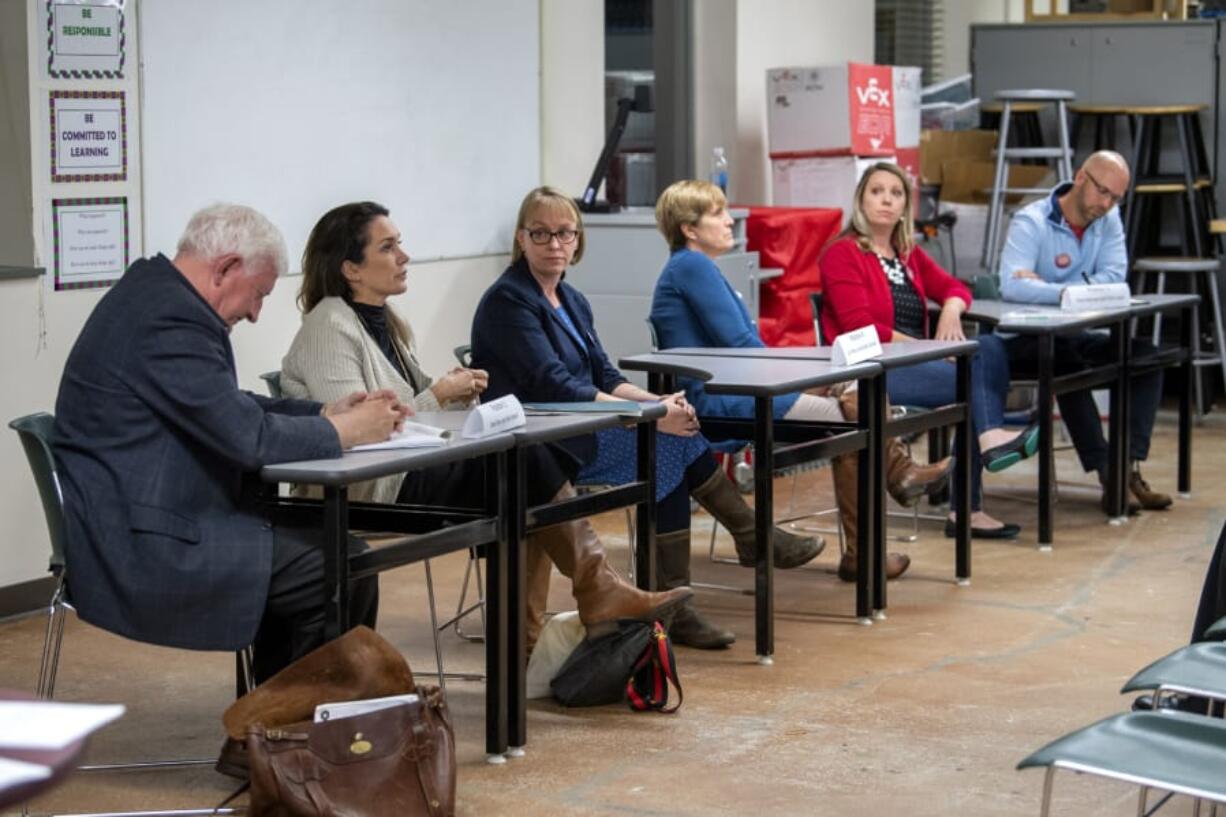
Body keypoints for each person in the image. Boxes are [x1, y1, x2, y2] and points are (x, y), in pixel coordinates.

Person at [279, 201, 690, 653]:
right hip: (371, 486)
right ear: (351, 269)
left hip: (411, 465)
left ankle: (542, 634)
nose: (405, 256)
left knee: (526, 469)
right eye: (389, 247)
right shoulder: (329, 325)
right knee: (526, 467)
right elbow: (356, 428)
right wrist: (438, 393)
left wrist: (451, 392)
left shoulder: (387, 324)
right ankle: (590, 596)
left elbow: (413, 408)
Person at [52, 203, 403, 685]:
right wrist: (347, 431)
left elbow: (227, 406)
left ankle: (272, 731)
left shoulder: (155, 295)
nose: (256, 313)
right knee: (343, 565)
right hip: (144, 540)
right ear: (225, 269)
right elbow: (248, 440)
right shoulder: (169, 321)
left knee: (329, 550)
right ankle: (295, 740)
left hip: (154, 510)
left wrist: (323, 413)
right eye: (259, 293)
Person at [471, 186, 824, 650]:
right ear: (522, 238)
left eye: (564, 233)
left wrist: (657, 404)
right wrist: (646, 414)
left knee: (674, 439)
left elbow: (605, 372)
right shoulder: (509, 301)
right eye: (541, 234)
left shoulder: (572, 299)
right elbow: (555, 384)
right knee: (670, 442)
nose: (554, 244)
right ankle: (745, 540)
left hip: (581, 429)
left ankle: (710, 574)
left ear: (578, 240)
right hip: (543, 444)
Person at [649, 178, 951, 582]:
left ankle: (881, 517)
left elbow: (745, 348)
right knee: (855, 416)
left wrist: (802, 379)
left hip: (741, 388)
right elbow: (742, 346)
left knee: (855, 395)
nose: (729, 221)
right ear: (689, 229)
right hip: (725, 401)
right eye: (718, 214)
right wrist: (801, 381)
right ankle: (880, 519)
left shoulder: (695, 267)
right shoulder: (692, 266)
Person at [821, 161, 1037, 541]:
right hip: (871, 370)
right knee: (979, 379)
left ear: (905, 205)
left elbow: (955, 286)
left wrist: (952, 309)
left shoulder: (906, 254)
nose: (887, 200)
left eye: (896, 193)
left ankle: (986, 449)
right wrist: (931, 349)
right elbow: (862, 329)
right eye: (877, 191)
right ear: (860, 200)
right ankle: (971, 496)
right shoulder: (842, 253)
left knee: (988, 347)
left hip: (914, 361)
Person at [997, 150, 1170, 513]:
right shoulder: (1031, 221)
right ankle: (1108, 473)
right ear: (1080, 177)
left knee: (1145, 357)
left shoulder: (1109, 220)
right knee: (1065, 363)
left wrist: (1050, 287)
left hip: (1075, 331)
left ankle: (1126, 466)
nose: (1106, 204)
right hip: (1027, 339)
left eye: (1116, 198)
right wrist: (1071, 292)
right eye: (1102, 192)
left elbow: (1115, 279)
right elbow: (1011, 286)